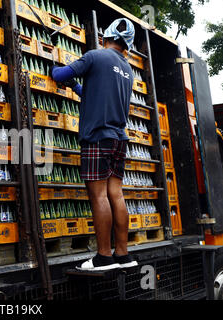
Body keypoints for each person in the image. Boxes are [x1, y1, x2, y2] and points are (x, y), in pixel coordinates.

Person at [49, 18, 138, 271]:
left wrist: (55, 67)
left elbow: (59, 74)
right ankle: (122, 254)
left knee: (98, 195)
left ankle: (103, 257)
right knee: (116, 194)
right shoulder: (127, 70)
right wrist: (77, 87)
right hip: (119, 139)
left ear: (105, 38)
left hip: (97, 137)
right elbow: (99, 94)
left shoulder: (95, 57)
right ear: (126, 45)